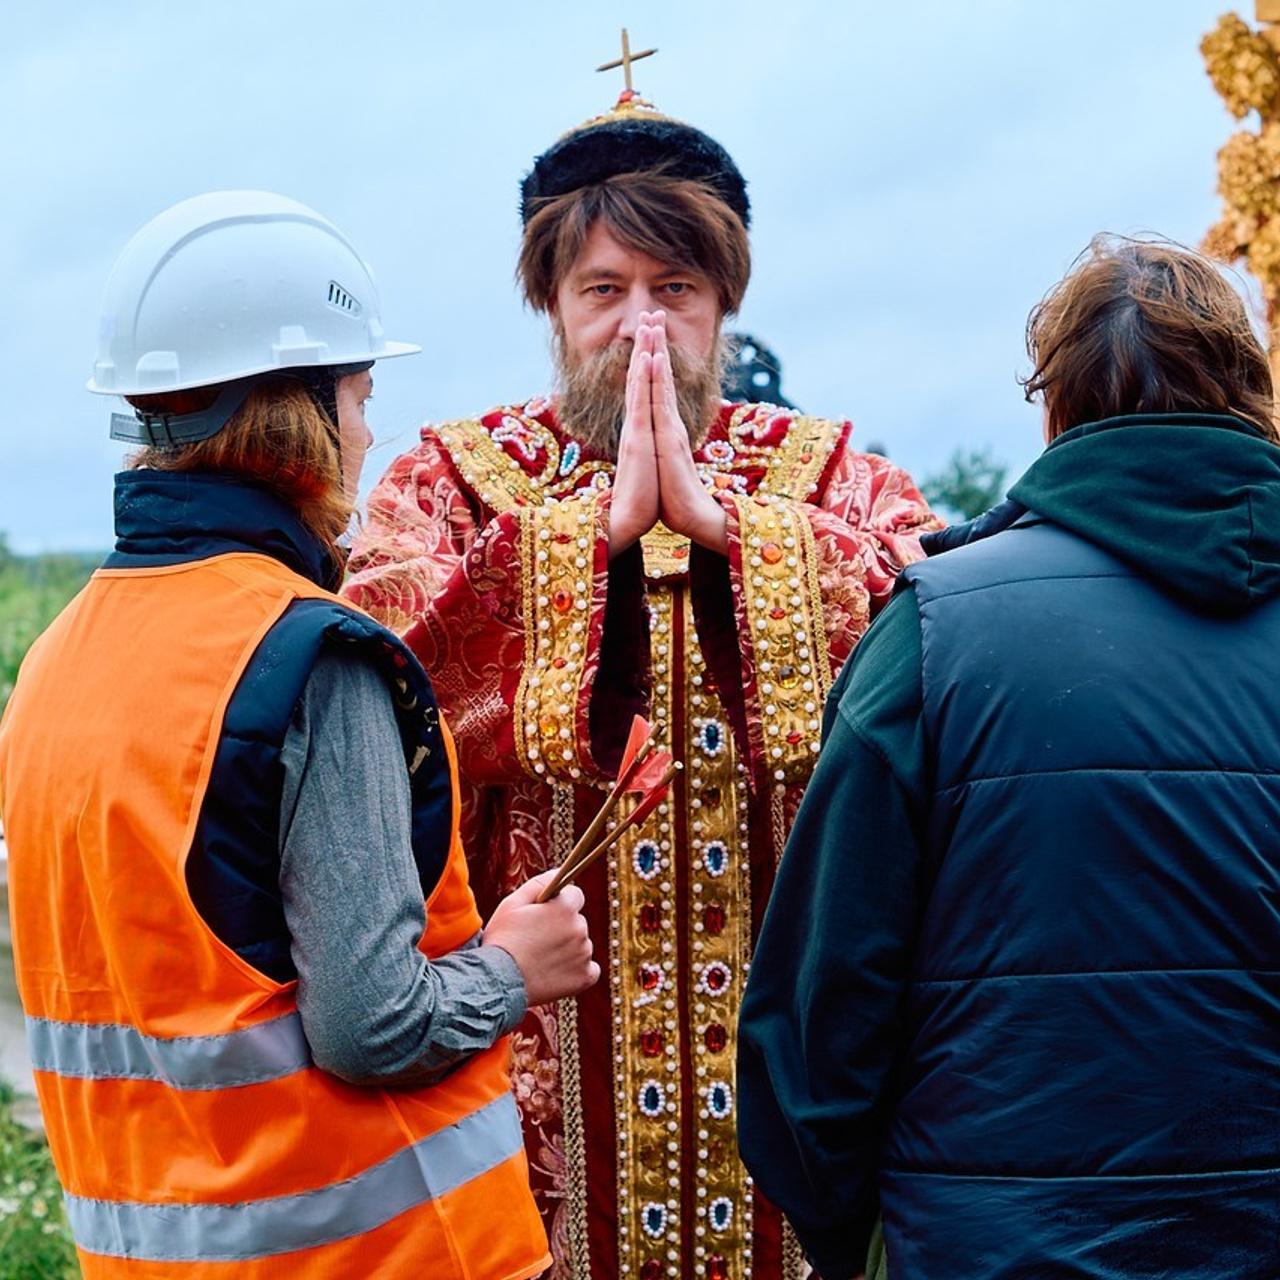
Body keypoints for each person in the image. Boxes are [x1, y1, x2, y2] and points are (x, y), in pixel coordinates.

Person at [344, 83, 939, 1279]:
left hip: (783, 1043)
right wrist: (582, 544)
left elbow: (928, 639)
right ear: (551, 308)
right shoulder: (447, 482)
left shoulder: (834, 482)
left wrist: (736, 535)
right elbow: (382, 676)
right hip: (535, 1069)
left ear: (724, 308)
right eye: (602, 291)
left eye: (675, 291)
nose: (640, 328)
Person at [0, 190, 598, 1279]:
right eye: (361, 395)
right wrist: (514, 965)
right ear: (301, 412)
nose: (372, 430)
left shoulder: (56, 662)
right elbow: (373, 1025)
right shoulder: (308, 658)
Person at [736, 235, 1280, 1279]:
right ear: (1249, 398)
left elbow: (816, 1010)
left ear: (1052, 412)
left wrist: (864, 1239)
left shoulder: (938, 628)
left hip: (991, 1244)